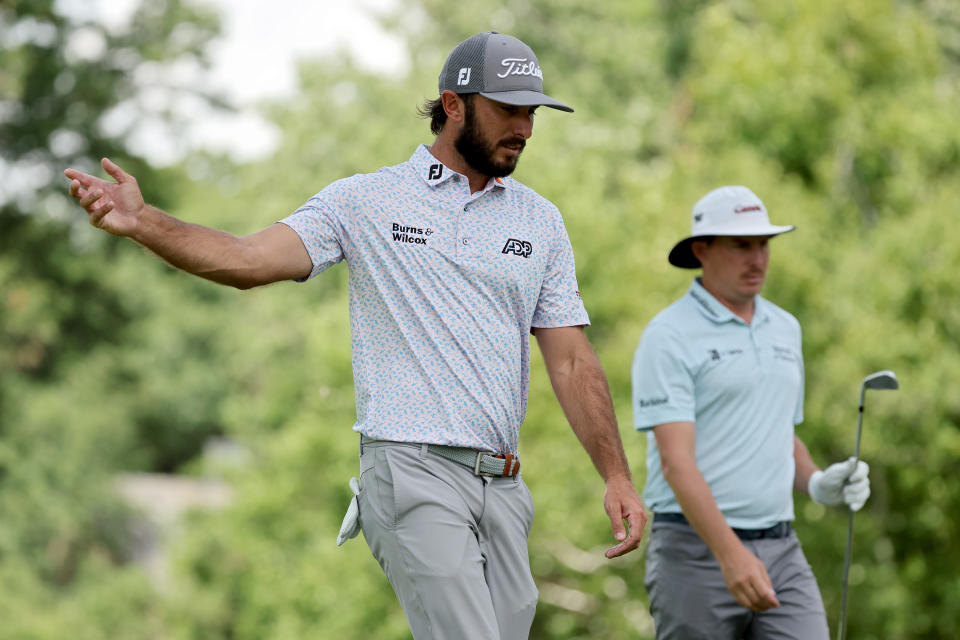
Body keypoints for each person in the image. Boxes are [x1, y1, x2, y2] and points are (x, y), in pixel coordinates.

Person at [66, 31, 647, 640]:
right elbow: (246, 259)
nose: (524, 127)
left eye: (531, 112)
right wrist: (144, 222)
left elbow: (574, 362)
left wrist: (616, 476)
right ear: (453, 105)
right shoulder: (366, 201)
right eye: (508, 109)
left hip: (504, 484)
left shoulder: (541, 220)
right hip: (412, 470)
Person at [631, 185, 871, 640]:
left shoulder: (785, 327)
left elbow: (779, 432)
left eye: (763, 245)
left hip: (780, 545)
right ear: (702, 250)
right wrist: (730, 554)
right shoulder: (668, 335)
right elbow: (675, 462)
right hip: (694, 550)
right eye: (742, 246)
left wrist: (819, 484)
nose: (757, 259)